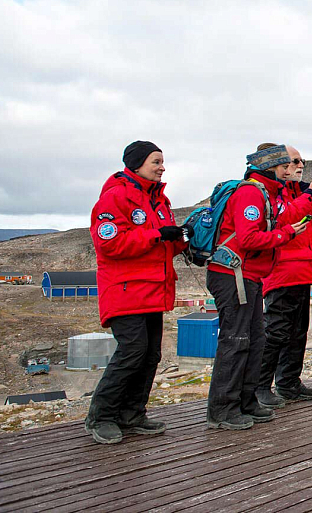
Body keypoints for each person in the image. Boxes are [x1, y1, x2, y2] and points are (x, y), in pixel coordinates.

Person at [206, 144, 312, 431]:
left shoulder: (267, 194)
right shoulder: (250, 192)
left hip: (250, 275)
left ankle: (246, 402)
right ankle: (222, 409)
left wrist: (307, 201)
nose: (291, 169)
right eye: (284, 165)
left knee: (255, 340)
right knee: (236, 341)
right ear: (269, 167)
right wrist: (284, 235)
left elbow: (282, 218)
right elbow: (249, 238)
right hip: (233, 272)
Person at [84, 141, 188, 444]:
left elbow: (163, 243)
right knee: (132, 350)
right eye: (156, 161)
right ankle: (101, 416)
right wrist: (157, 234)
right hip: (125, 290)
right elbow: (110, 243)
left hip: (153, 290)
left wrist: (183, 238)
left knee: (150, 354)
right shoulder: (115, 198)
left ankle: (131, 413)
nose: (162, 167)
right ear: (137, 163)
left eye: (162, 161)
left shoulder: (159, 200)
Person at [257, 146, 312, 408]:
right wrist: (311, 194)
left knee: (298, 332)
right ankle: (260, 386)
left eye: (302, 160)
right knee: (276, 332)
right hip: (280, 271)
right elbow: (283, 219)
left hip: (302, 270)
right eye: (294, 161)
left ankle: (288, 382)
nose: (299, 165)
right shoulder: (274, 192)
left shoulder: (298, 191)